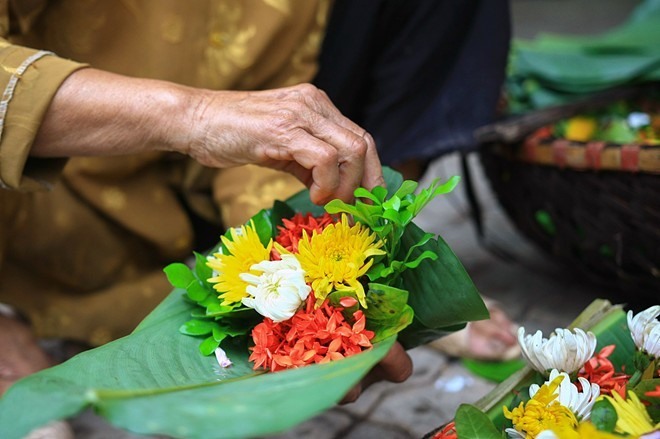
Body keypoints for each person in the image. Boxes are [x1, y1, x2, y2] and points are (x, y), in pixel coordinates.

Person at [0, 0, 516, 430]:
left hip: (179, 185)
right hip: (36, 195)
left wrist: (304, 275)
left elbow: (256, 121)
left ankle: (361, 259)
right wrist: (194, 115)